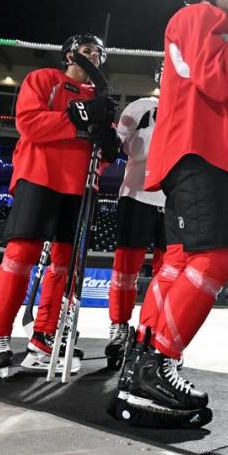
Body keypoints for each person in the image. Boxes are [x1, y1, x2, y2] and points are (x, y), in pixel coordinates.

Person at [112, 0, 228, 427]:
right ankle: (159, 357)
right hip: (199, 151)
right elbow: (219, 80)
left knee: (182, 259)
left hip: (195, 152)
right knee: (216, 257)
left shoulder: (216, 25)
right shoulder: (198, 15)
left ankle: (143, 358)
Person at [0, 34, 119, 372]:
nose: (93, 57)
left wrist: (109, 143)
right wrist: (78, 121)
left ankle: (44, 337)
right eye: (87, 50)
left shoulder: (100, 98)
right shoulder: (44, 79)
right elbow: (29, 124)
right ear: (69, 54)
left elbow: (101, 154)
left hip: (81, 186)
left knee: (66, 266)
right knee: (20, 256)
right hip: (39, 176)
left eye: (99, 54)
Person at [104, 63, 167, 368]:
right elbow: (116, 145)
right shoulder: (143, 106)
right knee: (125, 269)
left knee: (166, 274)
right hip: (137, 193)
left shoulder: (193, 110)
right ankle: (119, 326)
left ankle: (154, 331)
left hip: (176, 200)